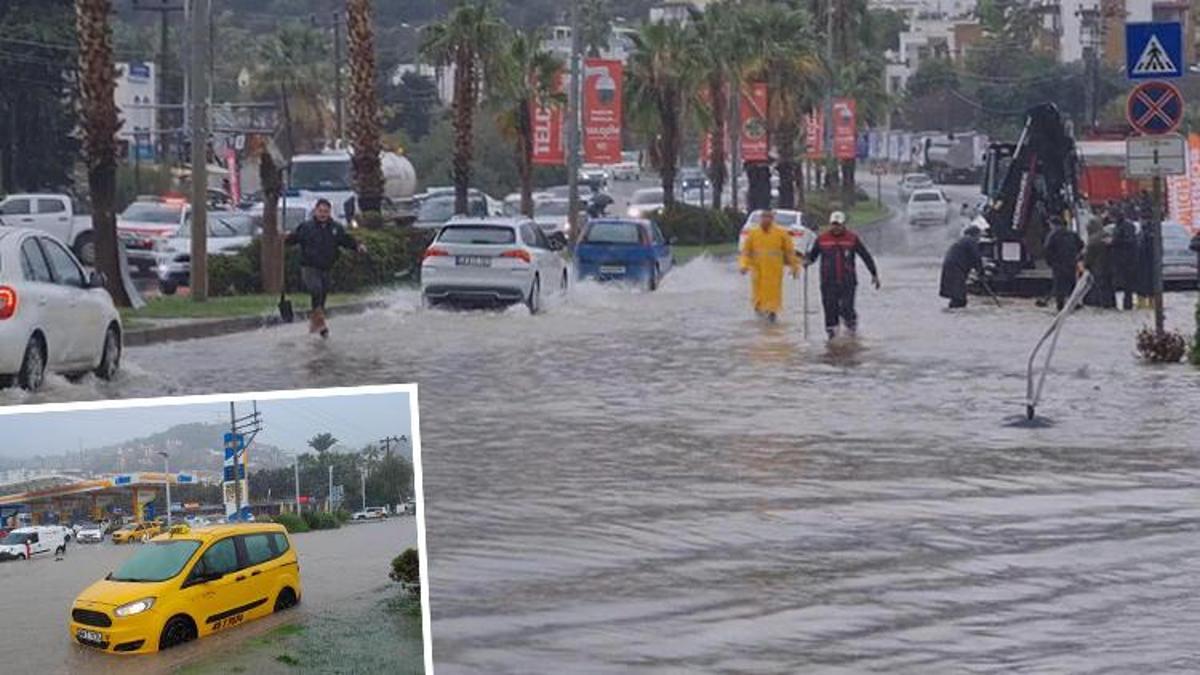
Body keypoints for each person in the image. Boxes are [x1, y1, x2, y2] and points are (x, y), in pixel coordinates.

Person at [283, 198, 367, 338]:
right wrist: (285, 239)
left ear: (329, 213)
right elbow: (293, 239)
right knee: (316, 289)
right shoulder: (306, 227)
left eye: (326, 212)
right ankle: (321, 324)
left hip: (326, 267)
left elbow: (345, 240)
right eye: (320, 211)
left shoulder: (335, 228)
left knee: (322, 296)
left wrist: (357, 246)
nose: (323, 214)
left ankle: (315, 323)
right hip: (309, 266)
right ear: (315, 211)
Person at [805, 211, 880, 339]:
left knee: (846, 308)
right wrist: (806, 262)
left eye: (839, 225)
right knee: (830, 309)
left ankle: (852, 328)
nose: (836, 227)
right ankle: (832, 337)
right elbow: (813, 256)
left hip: (848, 281)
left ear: (844, 225)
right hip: (828, 282)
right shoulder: (822, 239)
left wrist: (874, 274)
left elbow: (865, 256)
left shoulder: (852, 238)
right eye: (834, 224)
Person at [738, 209, 799, 323]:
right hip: (758, 273)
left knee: (772, 300)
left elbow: (790, 252)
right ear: (760, 219)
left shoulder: (781, 233)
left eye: (768, 217)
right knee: (758, 299)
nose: (766, 220)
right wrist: (743, 265)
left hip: (774, 273)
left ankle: (772, 320)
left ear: (772, 219)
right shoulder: (753, 234)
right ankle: (760, 321)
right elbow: (745, 252)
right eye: (764, 217)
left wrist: (794, 267)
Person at [1042, 218, 1084, 311]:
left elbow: (1047, 250)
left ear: (1053, 224)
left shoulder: (1052, 235)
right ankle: (1074, 304)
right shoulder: (1072, 234)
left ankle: (1060, 307)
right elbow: (1081, 245)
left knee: (1059, 286)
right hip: (1071, 263)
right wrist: (1075, 256)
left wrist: (1050, 262)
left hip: (1058, 264)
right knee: (1071, 284)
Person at [939, 225, 984, 309]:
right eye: (979, 235)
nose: (979, 238)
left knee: (957, 295)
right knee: (959, 296)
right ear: (975, 234)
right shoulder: (970, 241)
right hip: (956, 268)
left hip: (952, 267)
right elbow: (976, 257)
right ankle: (956, 311)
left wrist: (979, 271)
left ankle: (954, 311)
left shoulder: (963, 241)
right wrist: (981, 272)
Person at [1081, 217, 1115, 308]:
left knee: (1100, 287)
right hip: (1111, 267)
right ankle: (1111, 304)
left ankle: (1103, 305)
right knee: (1109, 288)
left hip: (1098, 267)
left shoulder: (1092, 239)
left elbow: (1089, 256)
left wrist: (1085, 265)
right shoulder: (1108, 235)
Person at [1108, 212, 1138, 310]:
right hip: (1121, 259)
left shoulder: (1126, 227)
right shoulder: (1119, 226)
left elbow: (1129, 241)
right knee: (1124, 284)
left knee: (1127, 283)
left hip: (1126, 259)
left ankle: (1127, 305)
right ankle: (1125, 304)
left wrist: (1113, 242)